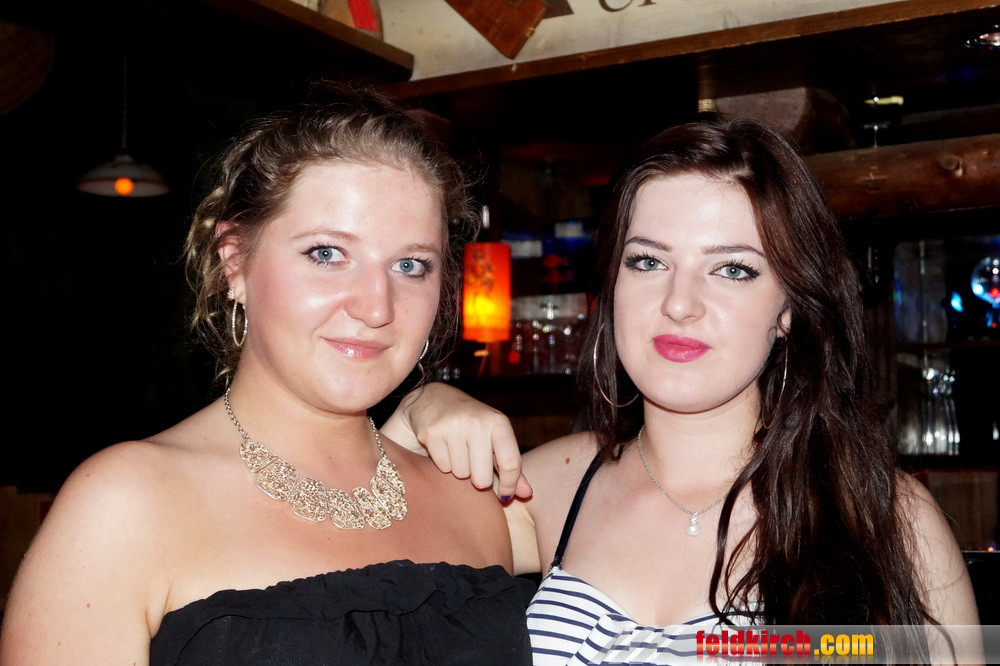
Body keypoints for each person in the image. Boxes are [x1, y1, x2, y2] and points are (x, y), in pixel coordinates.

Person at [388, 116, 983, 664]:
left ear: (789, 308)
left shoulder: (886, 517)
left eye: (732, 269)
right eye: (648, 262)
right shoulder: (542, 489)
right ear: (611, 284)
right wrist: (417, 408)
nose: (679, 303)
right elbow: (357, 568)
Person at [0, 82, 533, 665]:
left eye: (410, 264)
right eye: (327, 253)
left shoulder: (475, 499)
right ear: (235, 261)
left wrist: (429, 401)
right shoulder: (125, 505)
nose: (376, 307)